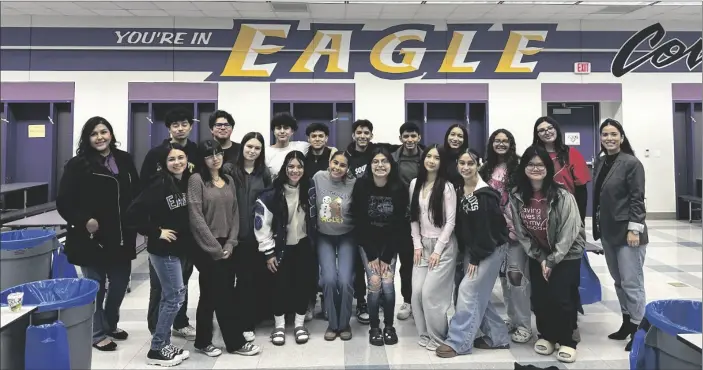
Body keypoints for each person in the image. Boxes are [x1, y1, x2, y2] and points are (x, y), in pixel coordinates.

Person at [56, 116, 140, 351]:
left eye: (104, 132)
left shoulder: (124, 159)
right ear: (87, 138)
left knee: (119, 285)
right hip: (91, 237)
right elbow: (64, 202)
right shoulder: (78, 164)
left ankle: (110, 324)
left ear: (111, 134)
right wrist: (84, 221)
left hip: (122, 235)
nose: (100, 137)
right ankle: (96, 333)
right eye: (94, 134)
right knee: (96, 286)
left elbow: (136, 192)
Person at [508, 145, 585, 364]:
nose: (535, 168)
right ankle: (547, 336)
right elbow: (521, 231)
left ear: (548, 168)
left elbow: (570, 231)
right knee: (540, 297)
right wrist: (540, 257)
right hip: (539, 253)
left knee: (562, 297)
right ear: (524, 167)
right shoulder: (517, 195)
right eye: (531, 164)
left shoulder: (562, 195)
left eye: (540, 164)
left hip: (566, 253)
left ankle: (568, 340)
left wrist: (552, 260)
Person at [187, 140, 261, 357]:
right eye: (209, 155)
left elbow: (235, 213)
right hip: (205, 247)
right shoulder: (196, 180)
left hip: (227, 245)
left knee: (209, 295)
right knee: (224, 294)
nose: (215, 158)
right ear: (202, 159)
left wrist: (230, 242)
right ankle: (235, 342)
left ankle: (202, 341)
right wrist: (215, 249)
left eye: (218, 153)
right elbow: (196, 217)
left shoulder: (228, 179)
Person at [436, 149, 510, 358]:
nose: (466, 167)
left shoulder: (485, 195)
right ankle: (498, 337)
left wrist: (476, 258)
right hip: (474, 247)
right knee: (476, 293)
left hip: (490, 248)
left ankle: (458, 342)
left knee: (469, 290)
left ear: (479, 164)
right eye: (462, 163)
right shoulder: (460, 190)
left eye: (470, 163)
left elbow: (487, 231)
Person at [126, 143, 192, 366]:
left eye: (181, 157)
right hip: (164, 251)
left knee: (170, 296)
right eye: (172, 159)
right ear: (164, 163)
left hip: (180, 249)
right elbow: (132, 215)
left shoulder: (183, 181)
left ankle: (163, 342)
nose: (177, 162)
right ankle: (156, 349)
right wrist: (156, 232)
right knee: (175, 297)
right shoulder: (159, 184)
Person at [140, 108, 199, 340]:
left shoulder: (194, 151)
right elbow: (143, 192)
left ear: (190, 126)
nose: (180, 128)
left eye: (184, 123)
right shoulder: (156, 153)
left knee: (182, 281)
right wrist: (152, 230)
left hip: (187, 231)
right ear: (169, 129)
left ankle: (180, 322)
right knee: (159, 284)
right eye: (175, 125)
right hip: (163, 232)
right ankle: (157, 327)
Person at [592, 119, 648, 352]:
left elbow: (637, 197)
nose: (609, 138)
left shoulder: (631, 163)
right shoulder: (601, 161)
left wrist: (634, 228)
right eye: (605, 134)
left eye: (614, 134)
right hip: (608, 231)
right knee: (618, 281)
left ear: (622, 137)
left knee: (631, 282)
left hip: (628, 234)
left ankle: (640, 329)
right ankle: (627, 322)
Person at [255, 150, 316, 346]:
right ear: (285, 168)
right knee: (279, 286)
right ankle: (279, 326)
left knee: (302, 285)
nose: (295, 170)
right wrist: (268, 252)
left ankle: (299, 324)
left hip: (304, 246)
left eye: (299, 167)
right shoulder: (271, 194)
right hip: (280, 248)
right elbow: (262, 225)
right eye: (291, 166)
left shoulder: (310, 190)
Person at [479, 129, 532, 344]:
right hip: (494, 233)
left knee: (516, 278)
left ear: (511, 144)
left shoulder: (518, 167)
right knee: (504, 279)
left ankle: (524, 325)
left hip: (515, 233)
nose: (501, 144)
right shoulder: (485, 168)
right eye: (497, 141)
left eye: (505, 141)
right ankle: (513, 319)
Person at [351, 147, 408, 346]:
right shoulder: (361, 186)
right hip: (368, 244)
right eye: (376, 161)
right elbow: (359, 222)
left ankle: (389, 326)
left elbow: (400, 224)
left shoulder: (399, 187)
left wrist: (386, 256)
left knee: (388, 284)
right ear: (370, 165)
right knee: (375, 283)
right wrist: (373, 255)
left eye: (384, 161)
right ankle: (375, 327)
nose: (380, 165)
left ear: (391, 165)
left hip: (389, 245)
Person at [409, 144, 458, 351]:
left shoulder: (446, 186)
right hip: (422, 246)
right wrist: (417, 244)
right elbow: (413, 217)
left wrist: (437, 250)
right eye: (428, 156)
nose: (431, 160)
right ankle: (424, 333)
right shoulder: (414, 184)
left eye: (436, 158)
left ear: (441, 162)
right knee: (416, 292)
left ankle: (438, 337)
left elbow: (451, 222)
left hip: (443, 246)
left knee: (431, 294)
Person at [229, 132, 272, 343]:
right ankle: (230, 319)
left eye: (257, 148)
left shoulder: (264, 173)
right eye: (249, 146)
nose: (252, 151)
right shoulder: (229, 170)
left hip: (254, 237)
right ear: (242, 147)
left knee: (248, 281)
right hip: (230, 236)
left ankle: (247, 322)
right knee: (230, 281)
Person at [312, 151, 358, 341]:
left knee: (345, 280)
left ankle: (344, 322)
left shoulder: (353, 184)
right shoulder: (318, 178)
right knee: (329, 279)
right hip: (324, 236)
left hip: (347, 235)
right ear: (329, 162)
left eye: (342, 165)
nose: (337, 168)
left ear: (348, 169)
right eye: (335, 163)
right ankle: (333, 323)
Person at [303, 122, 337, 320]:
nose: (317, 139)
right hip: (306, 211)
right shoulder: (303, 157)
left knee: (328, 260)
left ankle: (326, 298)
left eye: (321, 136)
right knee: (309, 259)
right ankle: (309, 299)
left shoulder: (332, 157)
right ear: (308, 139)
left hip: (329, 210)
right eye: (313, 136)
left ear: (326, 138)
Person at [391, 121, 424, 321]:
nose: (410, 140)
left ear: (419, 138)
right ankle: (408, 301)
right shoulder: (393, 158)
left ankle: (422, 301)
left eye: (413, 136)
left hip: (424, 219)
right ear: (401, 138)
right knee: (406, 263)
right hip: (401, 219)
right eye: (406, 136)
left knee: (423, 263)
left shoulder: (427, 157)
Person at [266, 112, 310, 177]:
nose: (282, 131)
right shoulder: (266, 152)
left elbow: (323, 147)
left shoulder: (302, 146)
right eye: (278, 128)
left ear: (292, 131)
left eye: (286, 128)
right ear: (274, 131)